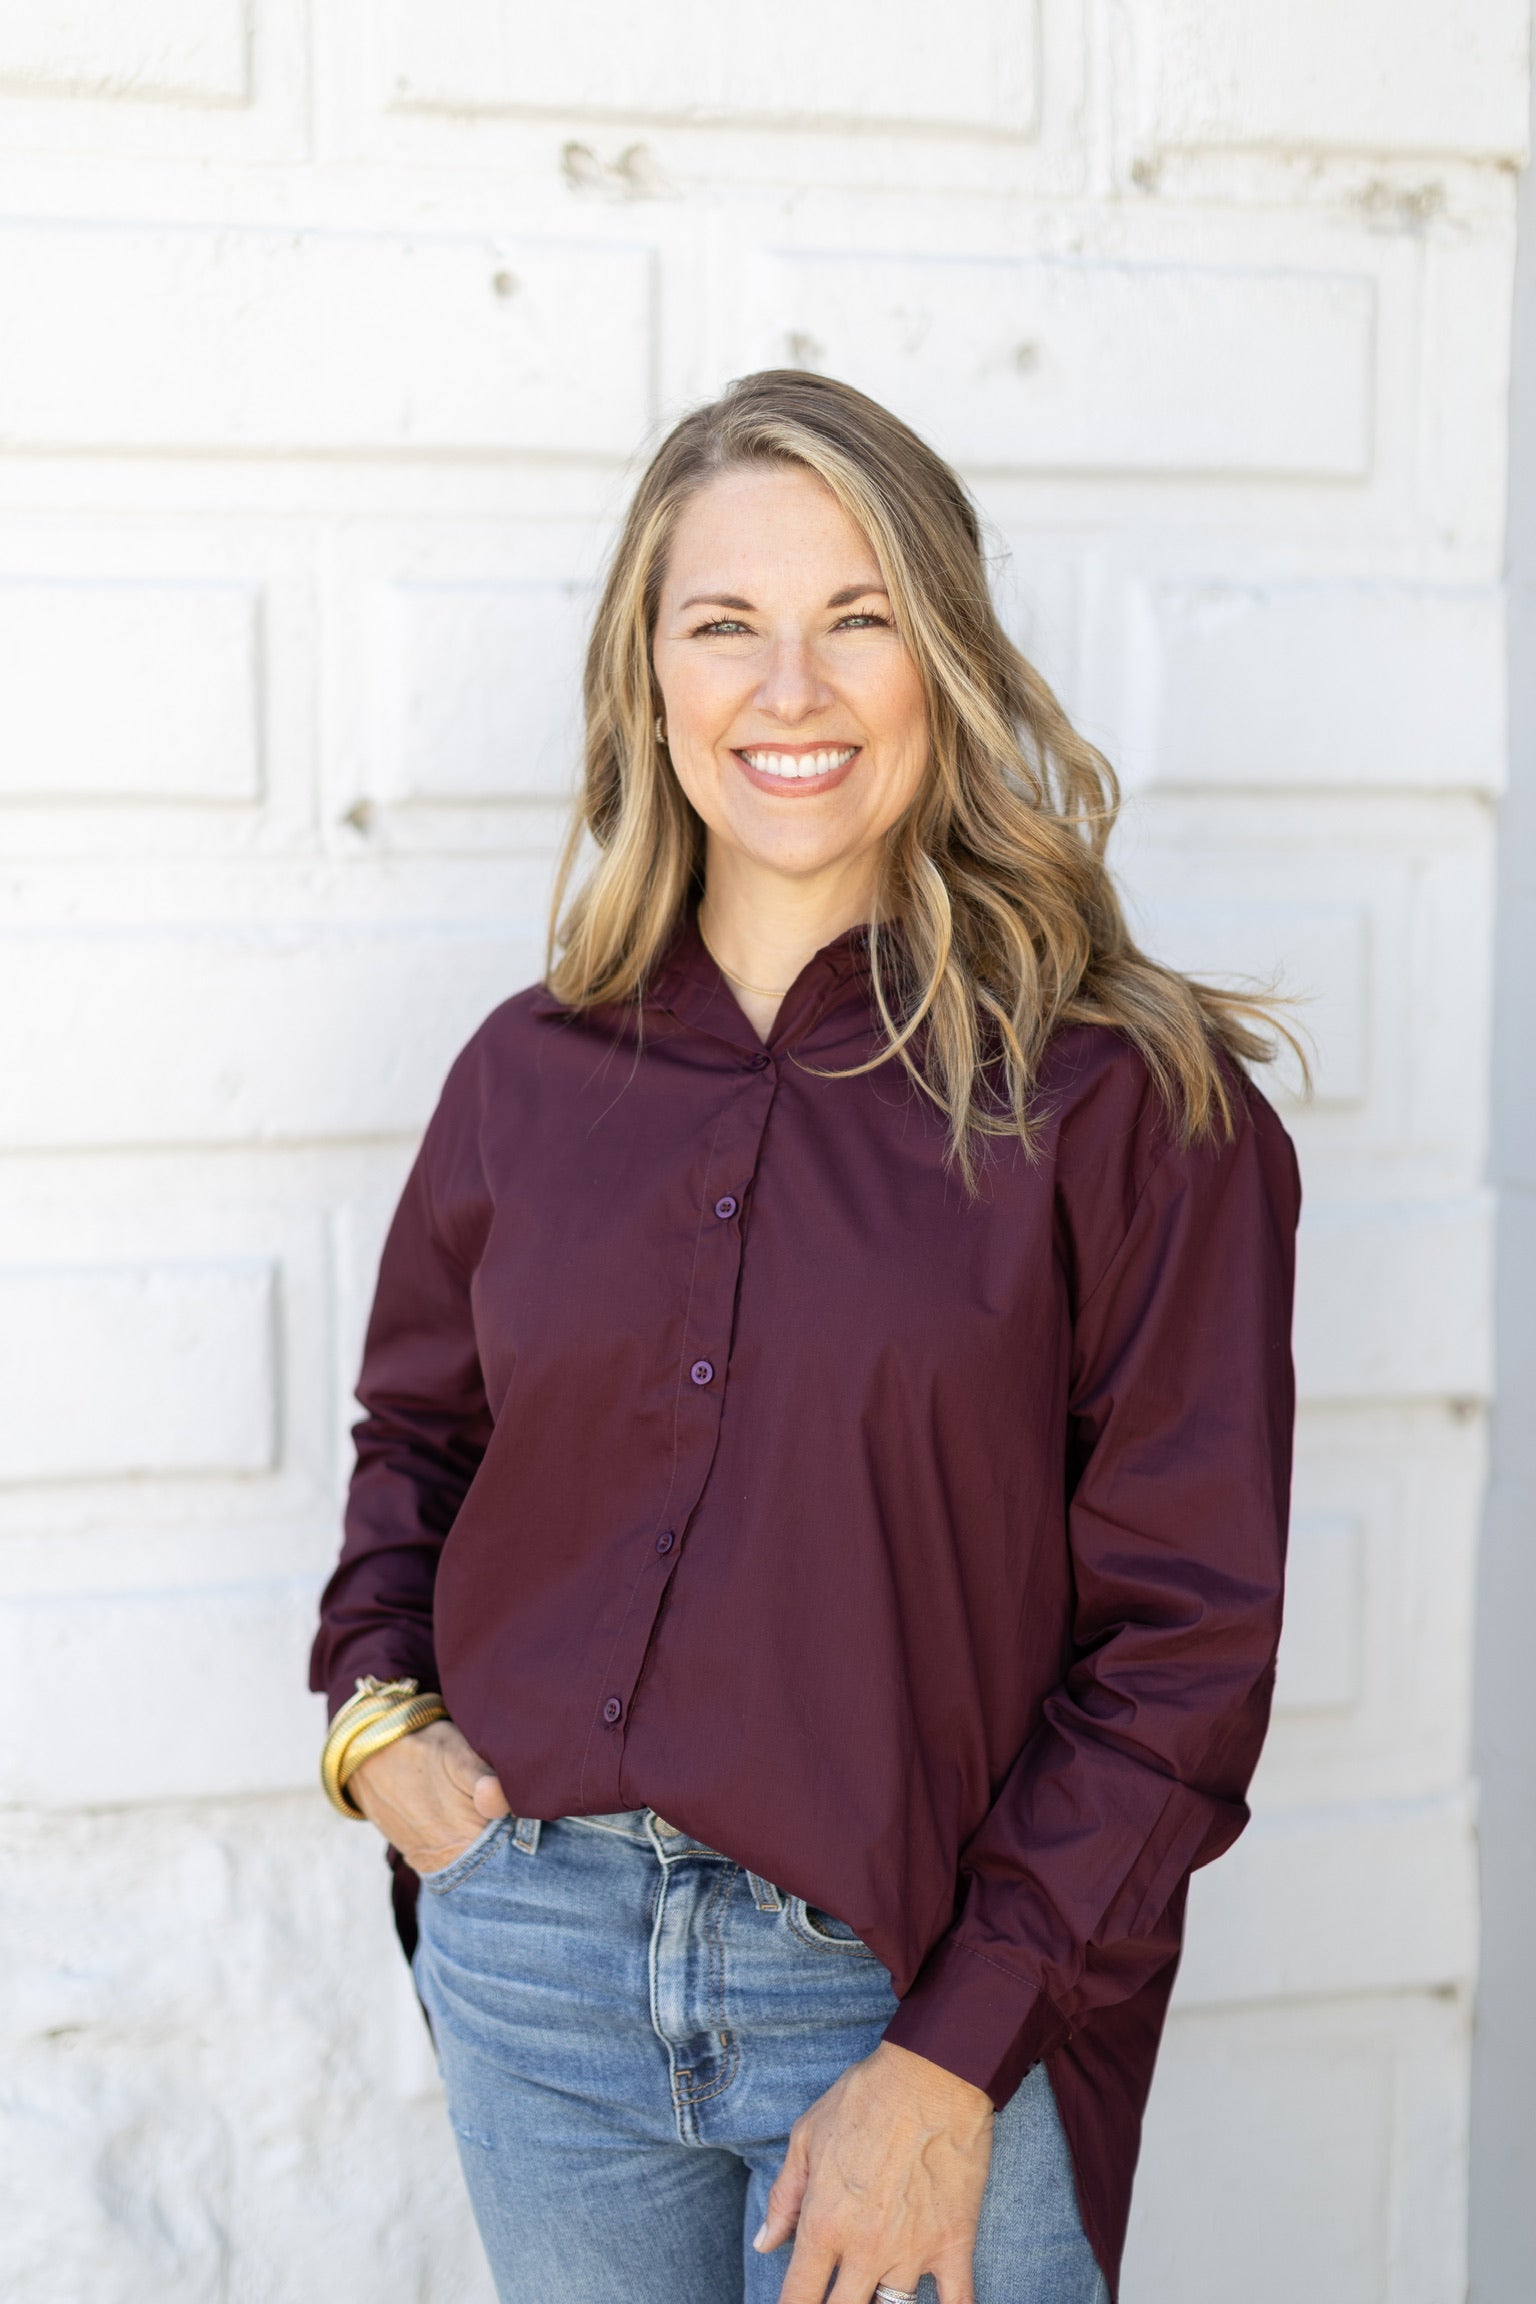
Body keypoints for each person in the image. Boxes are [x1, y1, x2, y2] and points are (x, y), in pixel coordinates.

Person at [310, 370, 1301, 2304]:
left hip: (918, 1992)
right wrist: (378, 1722)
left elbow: (1189, 1645)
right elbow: (418, 1439)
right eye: (725, 625)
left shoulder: (1130, 1107)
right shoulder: (525, 1077)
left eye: (858, 618)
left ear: (942, 657)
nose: (792, 687)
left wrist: (948, 2059)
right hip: (535, 1968)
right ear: (645, 677)